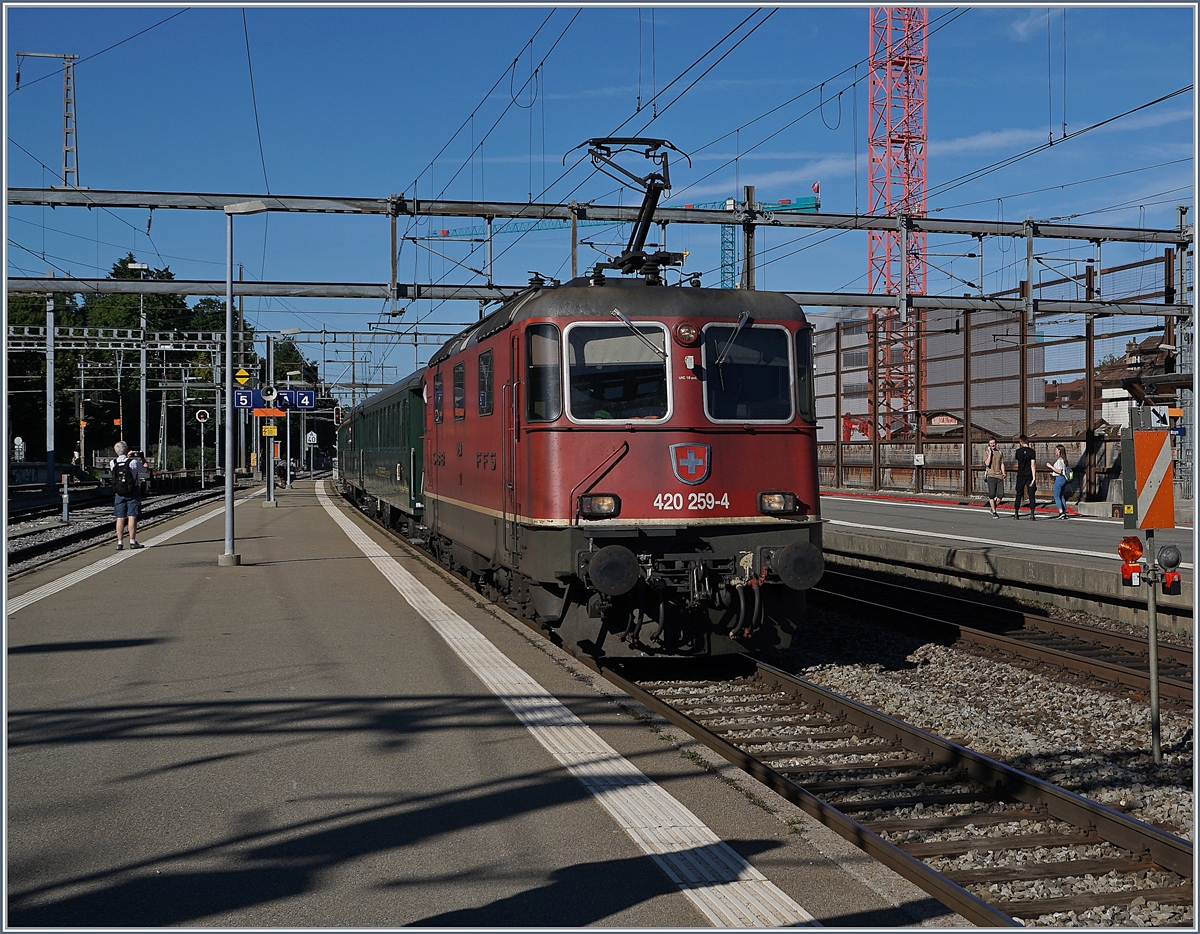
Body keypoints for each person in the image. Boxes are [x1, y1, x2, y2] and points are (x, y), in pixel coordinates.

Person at [109, 441, 145, 550]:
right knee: (132, 515)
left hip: (119, 492)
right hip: (132, 492)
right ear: (127, 450)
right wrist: (142, 458)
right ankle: (132, 541)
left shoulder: (113, 462)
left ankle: (120, 542)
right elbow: (145, 469)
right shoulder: (133, 462)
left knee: (120, 517)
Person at [1012, 434, 1037, 520]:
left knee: (1019, 493)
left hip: (1021, 473)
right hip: (1029, 474)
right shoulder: (1032, 452)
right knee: (1031, 494)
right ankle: (1032, 514)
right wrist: (1034, 477)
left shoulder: (1018, 452)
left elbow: (1018, 461)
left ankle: (1016, 513)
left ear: (1021, 442)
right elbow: (1033, 465)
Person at [982, 437, 1006, 518]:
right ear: (989, 444)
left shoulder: (999, 452)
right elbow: (987, 463)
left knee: (1000, 495)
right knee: (992, 494)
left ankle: (993, 508)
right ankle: (994, 512)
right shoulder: (986, 453)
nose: (992, 445)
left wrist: (1003, 472)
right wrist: (989, 453)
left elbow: (1002, 463)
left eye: (994, 443)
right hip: (991, 475)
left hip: (999, 475)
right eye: (991, 443)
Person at [1047, 444, 1070, 518]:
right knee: (1061, 496)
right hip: (1063, 479)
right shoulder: (1064, 460)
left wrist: (1051, 467)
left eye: (1056, 450)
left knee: (1056, 495)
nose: (1055, 451)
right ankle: (1064, 511)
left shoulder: (1060, 461)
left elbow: (1059, 471)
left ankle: (1061, 511)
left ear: (1059, 451)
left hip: (1059, 478)